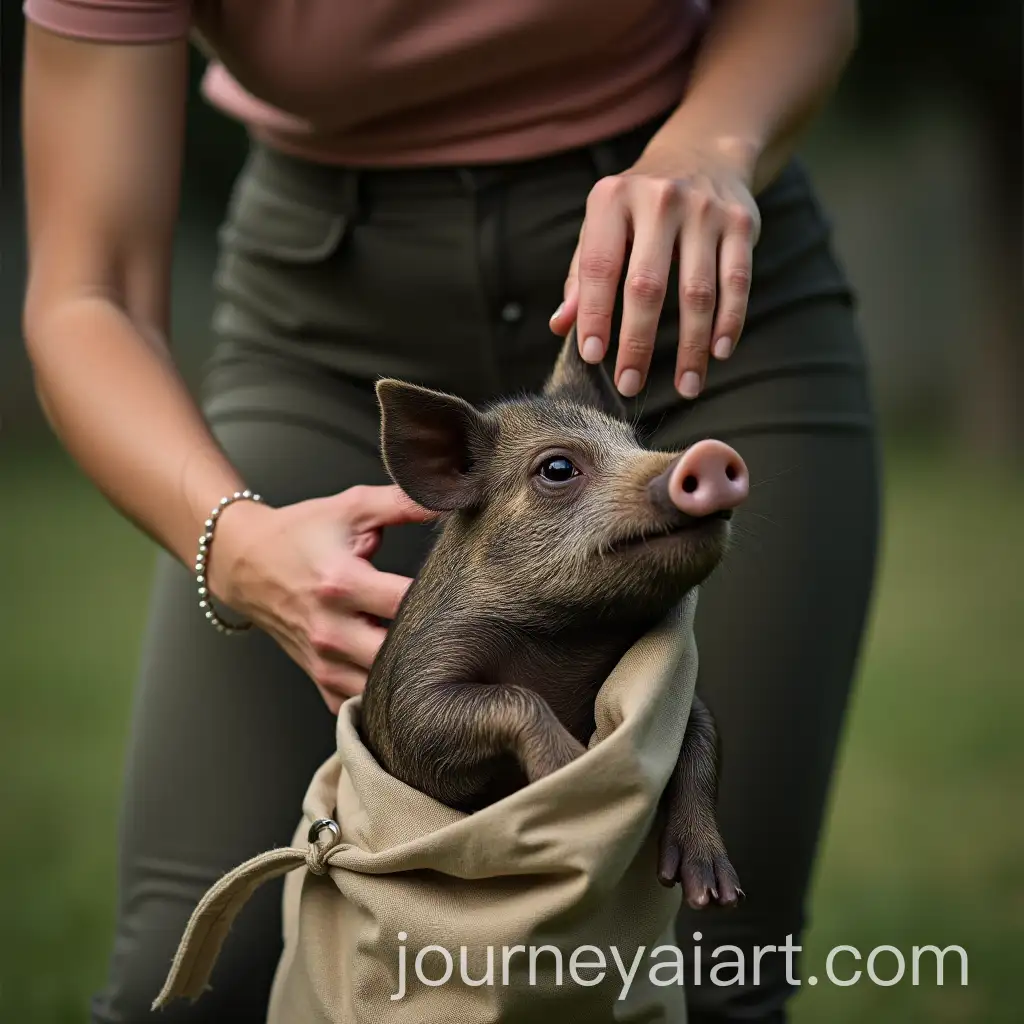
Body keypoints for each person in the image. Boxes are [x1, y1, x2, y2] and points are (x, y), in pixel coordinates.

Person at [19, 1, 879, 1021]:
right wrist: (238, 544)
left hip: (677, 287)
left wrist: (712, 145)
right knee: (205, 975)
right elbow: (88, 291)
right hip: (327, 324)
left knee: (709, 963)